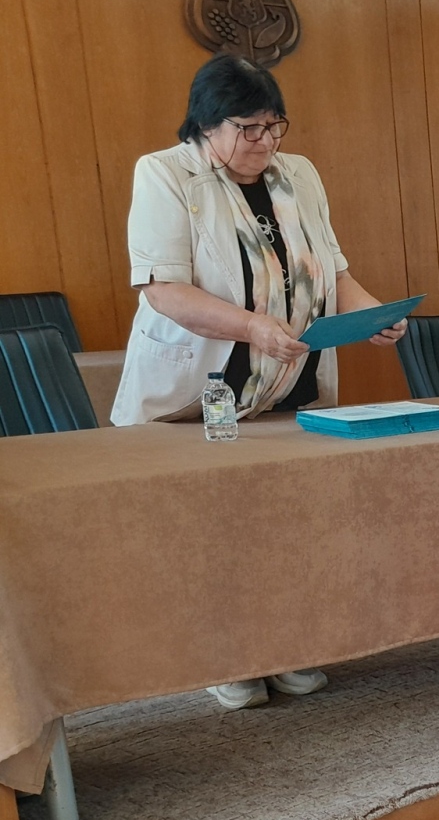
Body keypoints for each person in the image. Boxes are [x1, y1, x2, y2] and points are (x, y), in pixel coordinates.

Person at [114, 54, 407, 711]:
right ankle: (227, 656)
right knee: (213, 524)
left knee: (288, 517)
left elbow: (332, 270)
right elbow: (163, 290)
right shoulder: (165, 174)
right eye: (249, 128)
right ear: (207, 125)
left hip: (286, 383)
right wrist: (252, 327)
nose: (266, 141)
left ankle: (287, 645)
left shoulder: (298, 174)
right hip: (205, 390)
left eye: (275, 125)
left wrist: (372, 315)